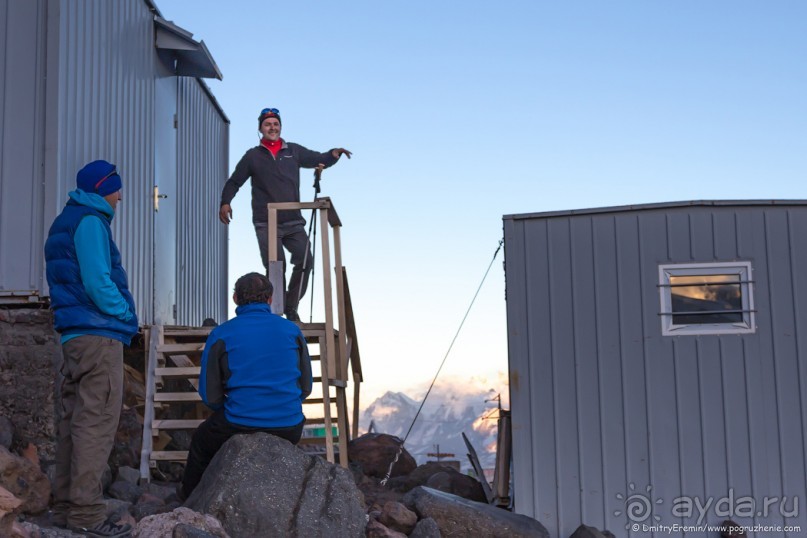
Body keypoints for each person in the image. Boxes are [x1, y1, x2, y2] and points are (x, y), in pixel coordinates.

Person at [44, 160, 138, 538]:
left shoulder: (65, 221)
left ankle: (67, 508)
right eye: (117, 188)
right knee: (95, 422)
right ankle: (86, 515)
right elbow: (98, 281)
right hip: (98, 334)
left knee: (74, 421)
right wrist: (125, 313)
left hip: (73, 335)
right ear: (104, 189)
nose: (120, 196)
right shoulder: (90, 221)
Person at [181, 272, 313, 498]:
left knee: (202, 443)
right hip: (289, 426)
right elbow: (306, 387)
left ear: (235, 298)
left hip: (238, 421)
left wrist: (243, 407)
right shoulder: (292, 331)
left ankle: (190, 503)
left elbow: (210, 397)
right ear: (270, 299)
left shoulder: (221, 334)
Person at [218, 107, 351, 321]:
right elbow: (235, 181)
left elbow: (317, 158)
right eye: (268, 124)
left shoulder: (293, 151)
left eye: (276, 124)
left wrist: (333, 155)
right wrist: (225, 202)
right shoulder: (252, 156)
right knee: (276, 266)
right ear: (260, 128)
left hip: (293, 222)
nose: (272, 127)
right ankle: (276, 312)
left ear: (280, 127)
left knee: (305, 258)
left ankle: (291, 306)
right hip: (266, 222)